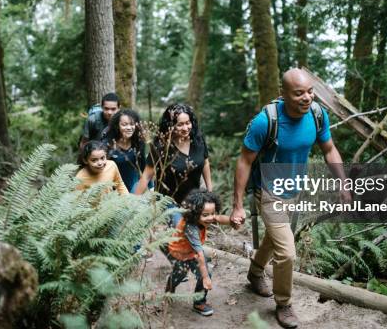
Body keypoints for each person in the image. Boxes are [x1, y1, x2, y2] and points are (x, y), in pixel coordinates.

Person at [230, 68, 351, 329]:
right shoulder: (266, 121)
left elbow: (329, 149)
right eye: (299, 93)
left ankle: (254, 272)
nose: (307, 98)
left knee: (274, 240)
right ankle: (284, 304)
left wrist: (343, 182)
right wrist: (237, 204)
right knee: (287, 252)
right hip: (269, 191)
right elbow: (244, 161)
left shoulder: (318, 115)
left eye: (310, 92)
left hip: (295, 188)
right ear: (283, 93)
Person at [135, 103, 213, 226]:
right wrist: (132, 203)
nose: (185, 128)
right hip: (168, 201)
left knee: (194, 235)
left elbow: (205, 163)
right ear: (170, 125)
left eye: (188, 123)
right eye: (180, 124)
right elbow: (146, 176)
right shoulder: (161, 146)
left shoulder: (198, 140)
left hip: (193, 200)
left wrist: (209, 192)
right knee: (179, 229)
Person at [164, 188, 231, 316]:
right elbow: (200, 254)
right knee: (180, 276)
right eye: (205, 215)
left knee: (205, 273)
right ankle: (169, 288)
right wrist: (205, 278)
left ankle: (199, 302)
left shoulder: (206, 217)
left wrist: (232, 221)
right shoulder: (191, 227)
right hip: (180, 255)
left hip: (192, 253)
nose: (210, 218)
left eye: (212, 213)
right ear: (195, 214)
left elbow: (218, 218)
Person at [103, 109, 151, 193]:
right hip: (114, 190)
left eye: (132, 124)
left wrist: (151, 187)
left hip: (135, 188)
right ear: (117, 125)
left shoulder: (139, 142)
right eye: (124, 125)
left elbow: (144, 166)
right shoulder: (108, 144)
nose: (129, 128)